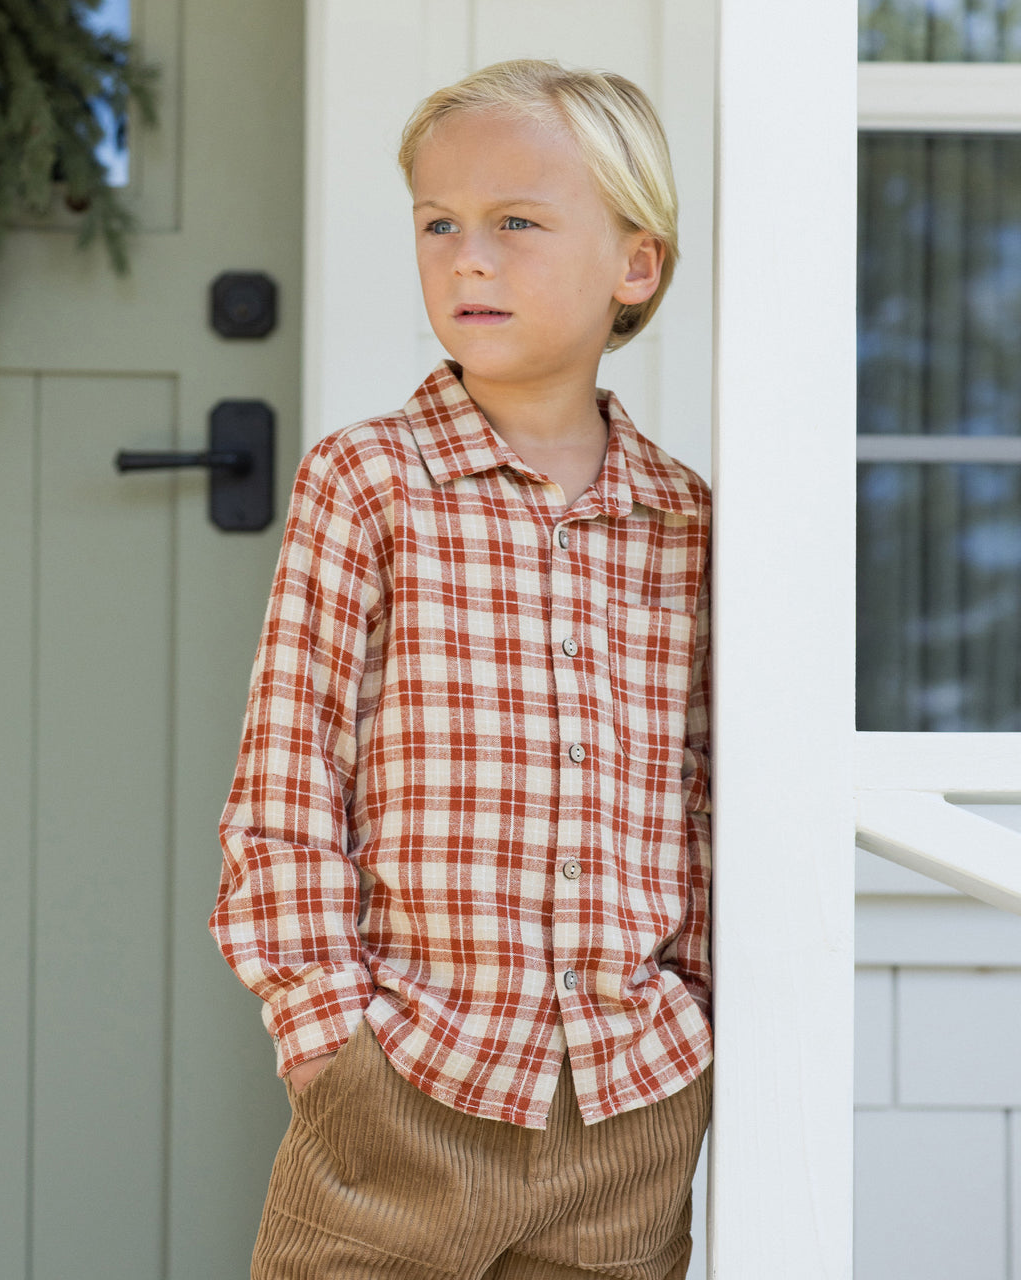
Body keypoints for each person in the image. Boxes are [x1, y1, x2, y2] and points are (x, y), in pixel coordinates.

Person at [211, 57, 712, 1280]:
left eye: (516, 224)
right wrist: (328, 1037)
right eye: (438, 223)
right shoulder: (365, 482)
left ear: (633, 265)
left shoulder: (685, 523)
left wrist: (690, 1009)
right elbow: (284, 783)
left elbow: (704, 797)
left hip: (626, 1108)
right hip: (402, 1091)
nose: (466, 256)